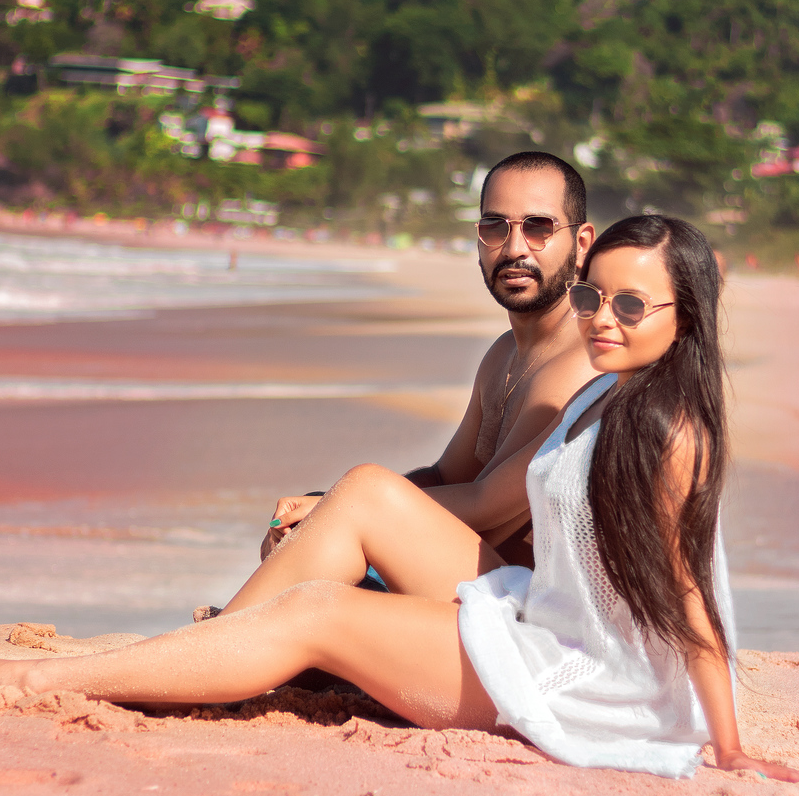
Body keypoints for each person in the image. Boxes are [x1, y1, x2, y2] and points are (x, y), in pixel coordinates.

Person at [0, 214, 799, 785]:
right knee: (364, 495)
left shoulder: (669, 434)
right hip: (538, 614)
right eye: (592, 293)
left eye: (632, 303)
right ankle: (205, 654)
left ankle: (36, 681)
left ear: (683, 318)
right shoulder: (601, 389)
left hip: (582, 677)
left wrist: (728, 744)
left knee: (318, 610)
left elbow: (688, 596)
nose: (602, 317)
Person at [255, 152, 599, 573]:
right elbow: (445, 477)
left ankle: (227, 632)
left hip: (515, 597)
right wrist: (325, 502)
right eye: (495, 227)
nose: (514, 248)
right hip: (459, 569)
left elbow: (487, 514)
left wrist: (344, 507)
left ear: (581, 245)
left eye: (538, 228)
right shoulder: (503, 354)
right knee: (292, 533)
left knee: (332, 524)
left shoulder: (581, 363)